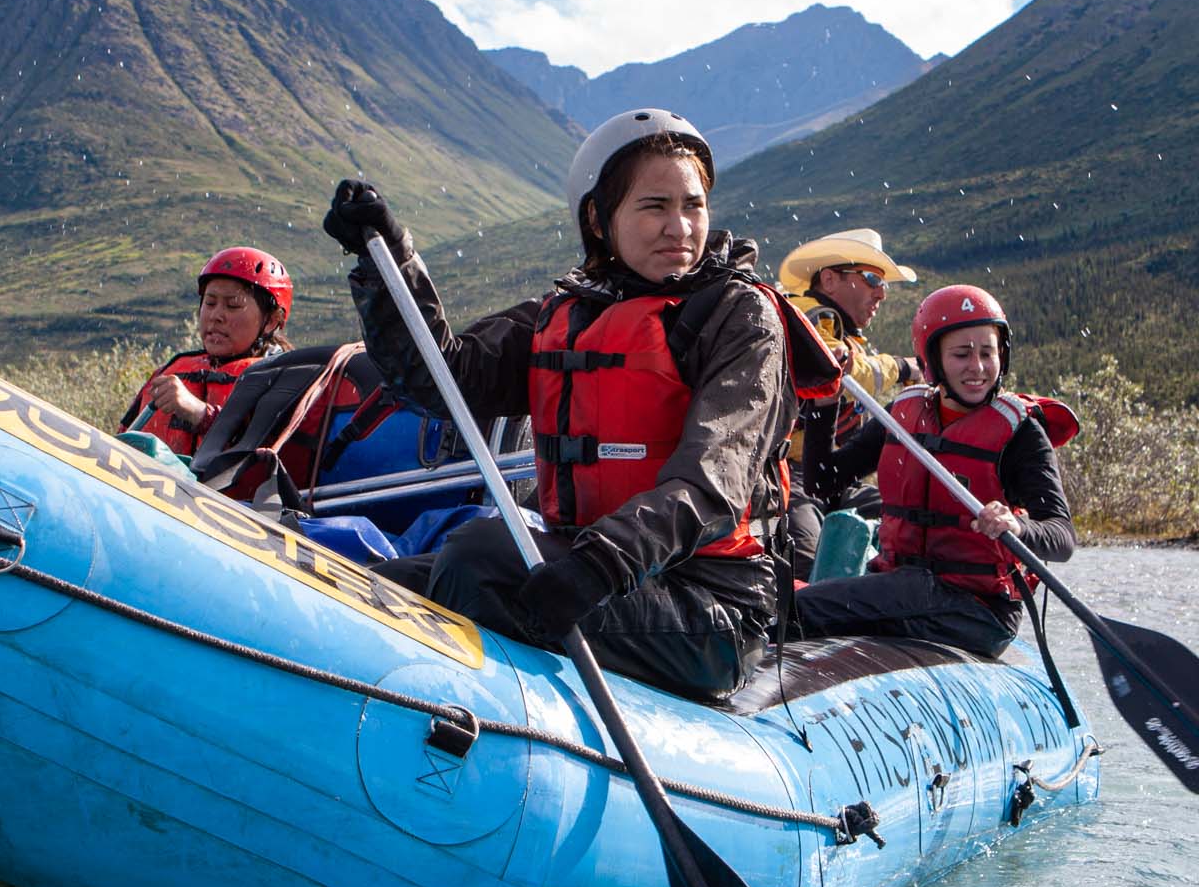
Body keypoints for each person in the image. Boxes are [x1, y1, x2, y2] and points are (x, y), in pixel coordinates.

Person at [323, 109, 826, 702]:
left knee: (478, 558)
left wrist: (601, 565)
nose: (680, 228)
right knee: (368, 585)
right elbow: (442, 379)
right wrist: (387, 262)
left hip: (710, 608)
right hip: (598, 571)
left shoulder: (738, 316)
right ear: (598, 217)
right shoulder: (567, 312)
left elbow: (715, 478)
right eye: (654, 206)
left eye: (692, 205)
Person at [794, 283, 1075, 660]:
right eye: (961, 354)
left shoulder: (1021, 432)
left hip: (976, 611)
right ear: (933, 359)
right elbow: (823, 481)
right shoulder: (903, 413)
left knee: (799, 611)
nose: (977, 368)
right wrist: (825, 402)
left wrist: (1016, 527)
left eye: (987, 353)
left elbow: (1061, 537)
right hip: (905, 590)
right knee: (798, 603)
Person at [773, 228, 919, 578]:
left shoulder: (838, 329)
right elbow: (840, 372)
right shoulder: (806, 319)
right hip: (788, 477)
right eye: (871, 279)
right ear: (829, 279)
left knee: (911, 525)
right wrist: (902, 368)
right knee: (806, 564)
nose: (881, 292)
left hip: (827, 478)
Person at [121, 247, 295, 459]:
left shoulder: (286, 380)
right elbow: (121, 440)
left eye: (232, 305)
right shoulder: (170, 371)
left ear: (272, 321)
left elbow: (275, 451)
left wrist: (200, 414)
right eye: (210, 303)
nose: (216, 316)